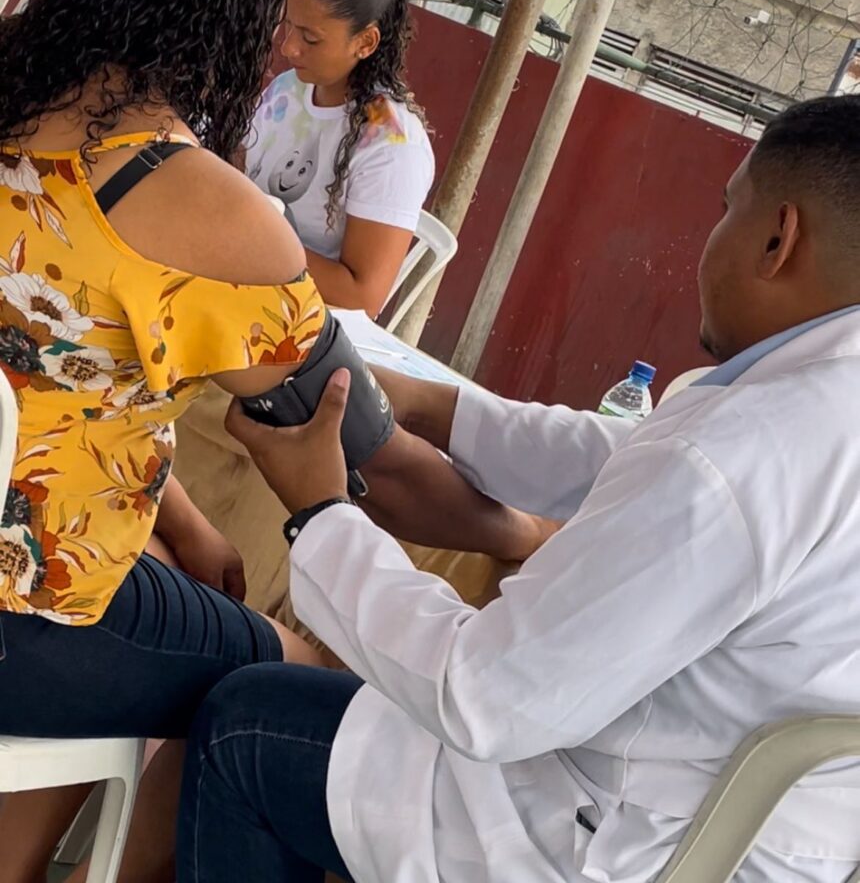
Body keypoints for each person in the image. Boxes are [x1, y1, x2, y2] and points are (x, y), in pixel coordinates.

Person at [0, 0, 544, 881]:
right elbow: (371, 455)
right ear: (239, 1)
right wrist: (527, 536)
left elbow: (54, 385)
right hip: (29, 602)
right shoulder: (195, 201)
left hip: (42, 547)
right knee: (290, 687)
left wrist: (180, 516)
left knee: (163, 592)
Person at [178, 96, 860, 883]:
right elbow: (628, 455)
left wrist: (322, 515)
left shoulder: (747, 451)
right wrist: (429, 404)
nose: (714, 235)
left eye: (727, 209)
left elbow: (486, 698)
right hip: (779, 838)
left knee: (246, 727)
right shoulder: (813, 409)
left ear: (778, 239)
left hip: (633, 845)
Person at [245, 0, 433, 318]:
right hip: (239, 282)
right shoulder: (288, 89)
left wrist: (252, 240)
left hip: (298, 319)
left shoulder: (392, 142)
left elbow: (362, 296)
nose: (289, 48)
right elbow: (239, 168)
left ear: (365, 42)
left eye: (310, 38)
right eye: (288, 26)